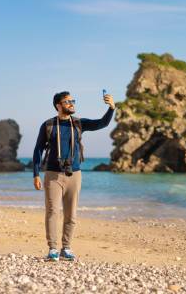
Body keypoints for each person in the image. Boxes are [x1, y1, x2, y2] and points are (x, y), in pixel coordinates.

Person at [32, 90, 115, 261]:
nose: (72, 104)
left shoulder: (78, 123)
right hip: (53, 175)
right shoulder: (48, 125)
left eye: (73, 101)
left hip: (74, 175)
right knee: (53, 212)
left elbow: (102, 123)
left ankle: (66, 248)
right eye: (68, 101)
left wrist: (112, 108)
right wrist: (36, 174)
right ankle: (53, 249)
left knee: (71, 214)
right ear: (58, 105)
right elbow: (38, 149)